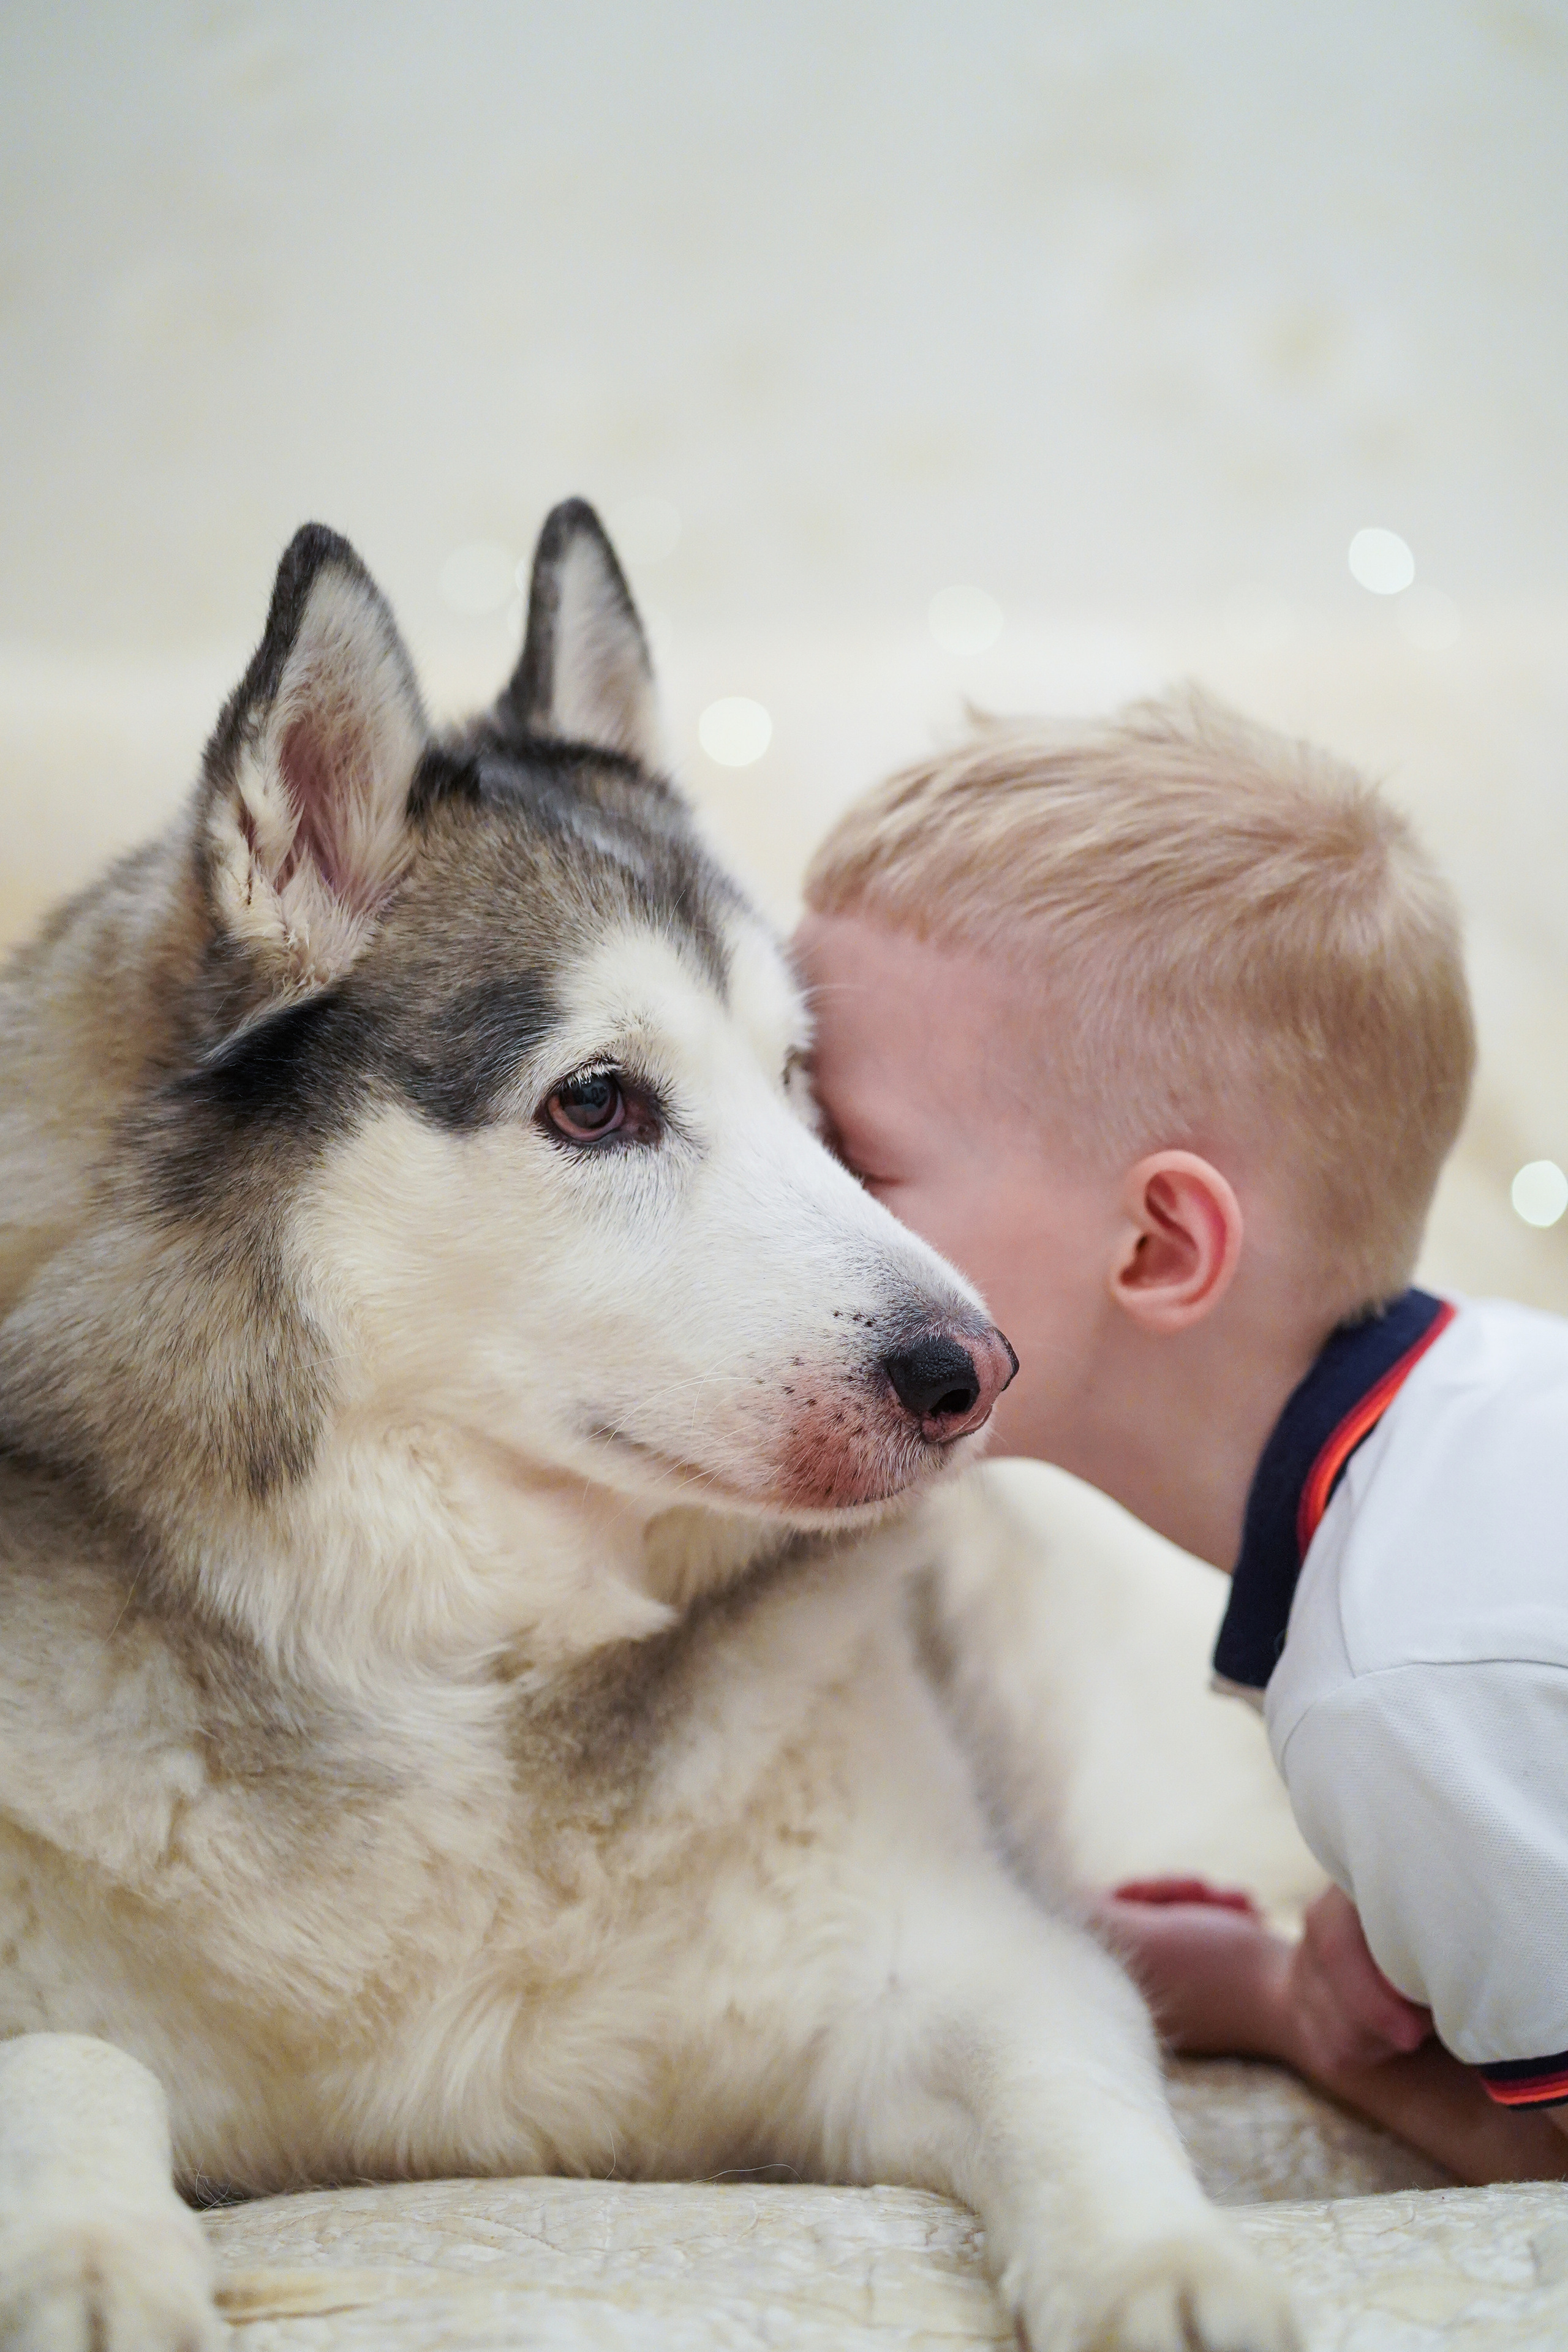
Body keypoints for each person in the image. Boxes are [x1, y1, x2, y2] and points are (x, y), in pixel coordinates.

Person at [794, 687, 1568, 2185]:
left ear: (1156, 1247)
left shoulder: (1394, 1687)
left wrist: (1267, 2003)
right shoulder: (1498, 1402)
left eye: (856, 1160)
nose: (791, 1210)